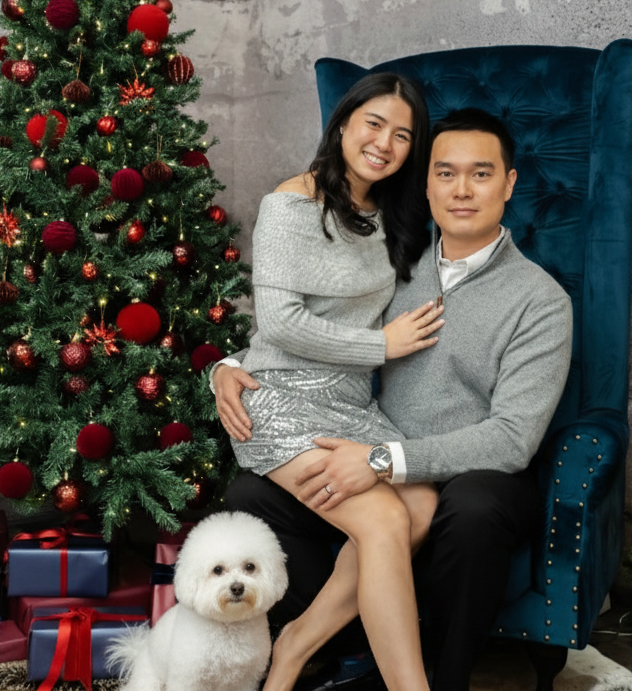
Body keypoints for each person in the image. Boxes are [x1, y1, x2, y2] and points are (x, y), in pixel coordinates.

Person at [215, 107, 574, 690]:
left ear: (509, 184)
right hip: (378, 442)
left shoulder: (541, 301)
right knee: (251, 490)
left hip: (476, 470)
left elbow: (512, 439)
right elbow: (312, 328)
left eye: (481, 175)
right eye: (446, 173)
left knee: (472, 506)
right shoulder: (397, 269)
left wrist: (380, 461)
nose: (461, 190)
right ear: (426, 183)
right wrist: (227, 367)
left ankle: (439, 676)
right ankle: (315, 643)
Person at [223, 72, 446, 691]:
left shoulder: (394, 215)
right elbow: (280, 324)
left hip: (351, 405)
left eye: (403, 135)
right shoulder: (289, 205)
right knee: (382, 521)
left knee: (421, 505)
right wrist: (383, 344)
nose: (385, 143)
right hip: (281, 400)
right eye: (374, 124)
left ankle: (295, 644)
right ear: (343, 123)